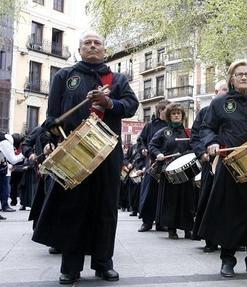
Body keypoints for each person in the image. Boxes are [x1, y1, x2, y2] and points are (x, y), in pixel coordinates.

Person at [31, 31, 139, 284]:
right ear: (80, 49)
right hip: (73, 152)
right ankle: (70, 266)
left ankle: (103, 264)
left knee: (106, 208)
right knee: (72, 207)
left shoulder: (117, 79)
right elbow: (51, 117)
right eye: (87, 43)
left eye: (97, 43)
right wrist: (53, 139)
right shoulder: (64, 76)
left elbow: (131, 105)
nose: (92, 46)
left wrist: (109, 103)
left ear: (104, 50)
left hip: (107, 153)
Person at [199, 59, 247, 278]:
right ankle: (227, 260)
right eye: (239, 74)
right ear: (231, 79)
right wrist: (211, 143)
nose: (243, 77)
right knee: (230, 214)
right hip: (231, 166)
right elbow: (206, 128)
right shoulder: (220, 103)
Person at [191, 80, 228, 252]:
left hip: (231, 161)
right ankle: (210, 239)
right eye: (225, 89)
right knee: (209, 200)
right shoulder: (205, 111)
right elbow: (196, 136)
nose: (227, 92)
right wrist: (203, 154)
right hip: (211, 162)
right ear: (216, 91)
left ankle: (233, 238)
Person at [149, 103, 195, 239]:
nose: (176, 115)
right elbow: (152, 145)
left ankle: (188, 228)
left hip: (186, 170)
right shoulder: (164, 132)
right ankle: (172, 228)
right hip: (169, 170)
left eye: (178, 113)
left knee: (187, 200)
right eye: (173, 113)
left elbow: (194, 146)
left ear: (182, 116)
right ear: (169, 116)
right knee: (171, 200)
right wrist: (158, 154)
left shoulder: (188, 132)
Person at [138, 99, 170, 232]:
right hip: (152, 162)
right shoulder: (150, 125)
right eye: (167, 109)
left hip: (167, 162)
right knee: (149, 192)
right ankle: (147, 222)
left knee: (163, 193)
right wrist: (143, 149)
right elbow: (141, 140)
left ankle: (161, 222)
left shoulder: (172, 125)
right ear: (160, 110)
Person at [0, 133, 25, 219]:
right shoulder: (6, 142)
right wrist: (24, 154)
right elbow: (13, 160)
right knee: (5, 187)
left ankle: (4, 205)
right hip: (2, 168)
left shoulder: (4, 139)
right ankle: (5, 206)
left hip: (3, 167)